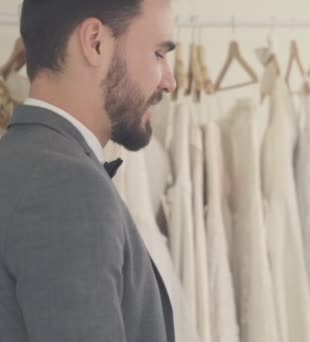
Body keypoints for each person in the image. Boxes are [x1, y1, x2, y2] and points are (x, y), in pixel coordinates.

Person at [0, 1, 177, 342]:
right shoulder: (65, 187)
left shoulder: (16, 163)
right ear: (95, 42)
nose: (170, 81)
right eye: (158, 53)